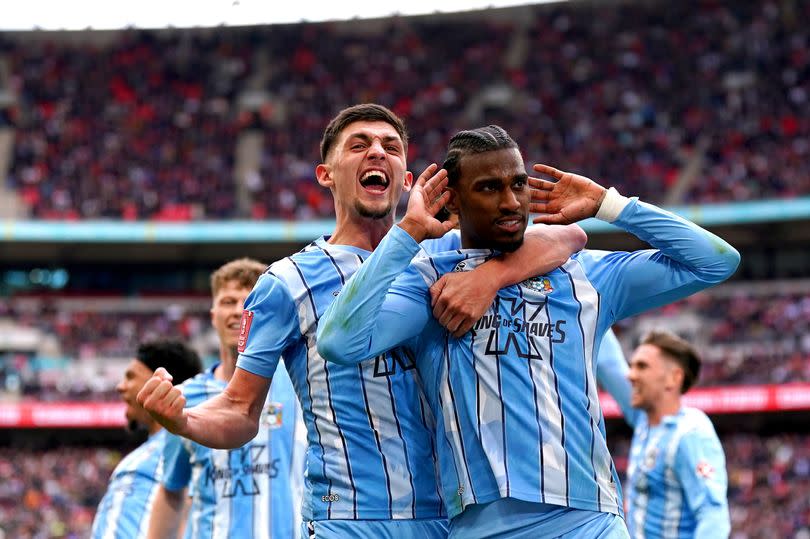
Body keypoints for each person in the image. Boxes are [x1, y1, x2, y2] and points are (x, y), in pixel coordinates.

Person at [138, 104, 585, 538]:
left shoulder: (446, 258)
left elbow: (567, 236)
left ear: (407, 180)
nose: (377, 152)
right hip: (348, 520)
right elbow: (239, 409)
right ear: (325, 175)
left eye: (391, 147)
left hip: (453, 520)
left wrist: (494, 274)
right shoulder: (286, 283)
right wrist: (186, 422)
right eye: (359, 145)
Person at [316, 125, 740, 538]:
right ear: (455, 201)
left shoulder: (584, 276)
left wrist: (610, 206)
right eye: (488, 188)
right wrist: (407, 233)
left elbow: (715, 261)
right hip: (483, 526)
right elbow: (338, 340)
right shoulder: (430, 282)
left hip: (590, 520)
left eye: (517, 184)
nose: (510, 202)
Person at [145, 258, 305, 539]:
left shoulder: (299, 383)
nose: (238, 311)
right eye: (228, 301)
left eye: (247, 301)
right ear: (213, 314)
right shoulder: (184, 398)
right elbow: (171, 491)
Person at [596, 329, 731, 538]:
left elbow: (713, 515)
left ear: (673, 378)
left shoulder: (690, 433)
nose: (630, 375)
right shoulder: (645, 422)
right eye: (632, 366)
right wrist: (586, 301)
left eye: (642, 366)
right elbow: (608, 363)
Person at [91, 339, 202, 539]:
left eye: (131, 377)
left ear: (160, 383)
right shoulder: (152, 451)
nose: (120, 387)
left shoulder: (186, 451)